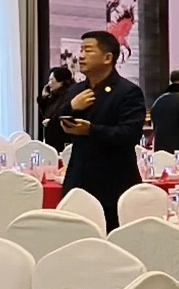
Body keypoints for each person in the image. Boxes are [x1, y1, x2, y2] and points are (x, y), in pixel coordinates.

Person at [54, 30, 145, 231]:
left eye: (88, 50)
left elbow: (130, 134)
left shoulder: (128, 92)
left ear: (107, 58)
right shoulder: (76, 91)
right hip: (78, 179)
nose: (81, 56)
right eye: (81, 50)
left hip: (114, 181)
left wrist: (91, 130)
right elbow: (54, 132)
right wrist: (71, 108)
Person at [38, 66, 74, 149]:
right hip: (52, 139)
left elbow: (62, 115)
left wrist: (51, 122)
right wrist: (44, 99)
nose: (49, 83)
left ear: (61, 82)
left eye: (51, 80)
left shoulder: (67, 96)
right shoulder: (55, 96)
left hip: (62, 140)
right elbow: (46, 114)